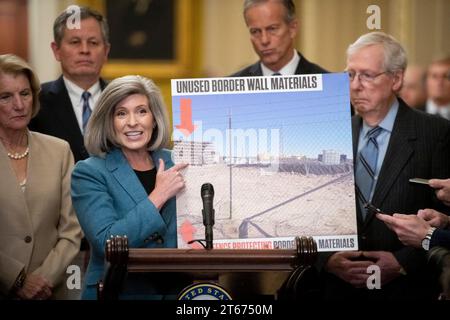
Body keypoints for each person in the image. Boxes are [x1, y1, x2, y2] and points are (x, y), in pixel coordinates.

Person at [318, 32, 450, 300]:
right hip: (335, 290)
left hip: (407, 290)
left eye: (367, 75)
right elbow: (314, 213)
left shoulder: (435, 132)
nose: (355, 85)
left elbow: (444, 218)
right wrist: (328, 260)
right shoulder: (333, 131)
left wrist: (402, 263)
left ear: (396, 79)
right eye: (350, 75)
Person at [71, 75, 188, 300]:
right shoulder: (89, 172)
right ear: (109, 122)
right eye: (121, 113)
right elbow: (108, 243)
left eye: (142, 111)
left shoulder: (179, 163)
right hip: (119, 293)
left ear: (154, 119)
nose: (132, 122)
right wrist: (159, 195)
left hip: (179, 293)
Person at [0, 54, 81, 299]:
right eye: (6, 96)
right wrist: (17, 279)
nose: (19, 104)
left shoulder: (59, 150)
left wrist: (43, 279)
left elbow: (72, 230)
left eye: (25, 94)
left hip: (53, 290)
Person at [29, 6, 110, 162]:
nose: (85, 50)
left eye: (93, 42)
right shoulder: (34, 102)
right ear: (56, 50)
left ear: (106, 51)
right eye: (75, 42)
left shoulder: (124, 99)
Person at [231, 0, 327, 77]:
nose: (264, 40)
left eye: (272, 29)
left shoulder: (327, 82)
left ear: (292, 28)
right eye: (255, 31)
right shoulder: (234, 87)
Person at [425, 56, 450, 120]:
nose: (440, 82)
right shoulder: (411, 113)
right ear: (426, 81)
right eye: (434, 76)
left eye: (445, 76)